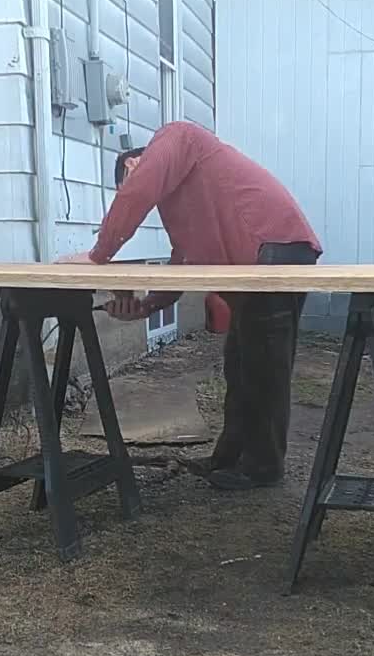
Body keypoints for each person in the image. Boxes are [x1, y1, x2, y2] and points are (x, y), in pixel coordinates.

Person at [57, 121, 322, 491]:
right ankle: (229, 457)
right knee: (239, 364)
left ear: (134, 166)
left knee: (264, 367)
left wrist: (99, 255)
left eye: (128, 184)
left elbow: (137, 193)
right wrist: (147, 307)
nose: (134, 194)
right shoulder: (181, 202)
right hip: (256, 264)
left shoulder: (177, 137)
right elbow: (181, 264)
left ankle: (263, 467)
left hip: (276, 248)